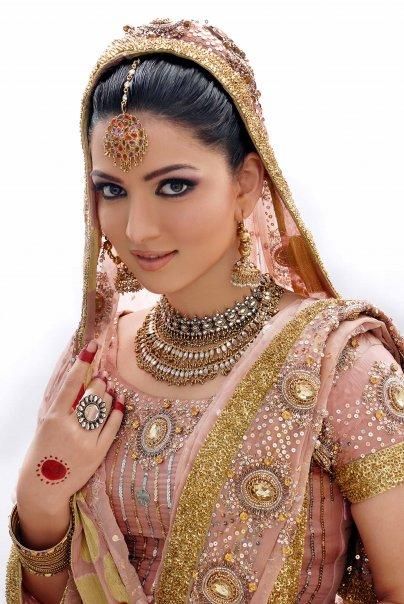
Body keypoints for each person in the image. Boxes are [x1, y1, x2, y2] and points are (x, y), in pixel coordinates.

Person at [5, 17, 404, 604]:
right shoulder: (100, 356)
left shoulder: (341, 370)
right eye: (112, 190)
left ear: (245, 183)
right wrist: (39, 502)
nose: (137, 228)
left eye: (173, 186)